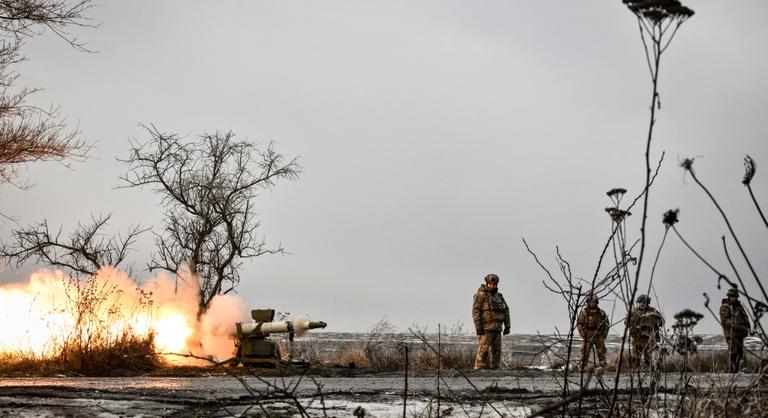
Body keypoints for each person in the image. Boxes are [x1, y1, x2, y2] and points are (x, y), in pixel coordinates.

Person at [472, 273, 510, 369]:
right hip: (486, 329)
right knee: (483, 351)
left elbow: (506, 310)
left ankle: (495, 372)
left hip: (497, 329)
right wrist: (478, 327)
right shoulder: (481, 295)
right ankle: (478, 371)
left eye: (494, 284)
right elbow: (476, 311)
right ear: (487, 283)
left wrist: (507, 326)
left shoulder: (499, 296)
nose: (492, 286)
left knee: (496, 353)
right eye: (490, 284)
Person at [625, 294, 664, 369]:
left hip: (648, 337)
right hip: (637, 337)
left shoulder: (652, 310)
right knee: (636, 358)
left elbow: (661, 322)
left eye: (644, 302)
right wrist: (633, 321)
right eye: (641, 302)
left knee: (647, 357)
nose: (643, 304)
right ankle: (636, 370)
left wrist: (653, 318)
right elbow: (626, 323)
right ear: (638, 303)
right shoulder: (634, 311)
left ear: (647, 303)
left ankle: (647, 369)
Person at [719, 288, 750, 373]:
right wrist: (736, 326)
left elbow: (745, 318)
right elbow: (725, 321)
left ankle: (738, 370)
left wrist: (746, 328)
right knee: (732, 353)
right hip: (731, 333)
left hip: (740, 334)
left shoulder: (740, 307)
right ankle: (730, 371)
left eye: (735, 297)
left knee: (740, 353)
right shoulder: (725, 306)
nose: (734, 298)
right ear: (729, 297)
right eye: (732, 296)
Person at [577, 294, 610, 371]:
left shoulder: (601, 313)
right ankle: (582, 369)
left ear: (596, 302)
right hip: (587, 335)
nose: (591, 303)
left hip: (598, 335)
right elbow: (579, 324)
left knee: (601, 353)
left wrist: (604, 335)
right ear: (587, 302)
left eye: (593, 301)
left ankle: (603, 368)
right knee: (585, 354)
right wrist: (583, 334)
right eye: (590, 301)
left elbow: (607, 324)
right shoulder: (583, 312)